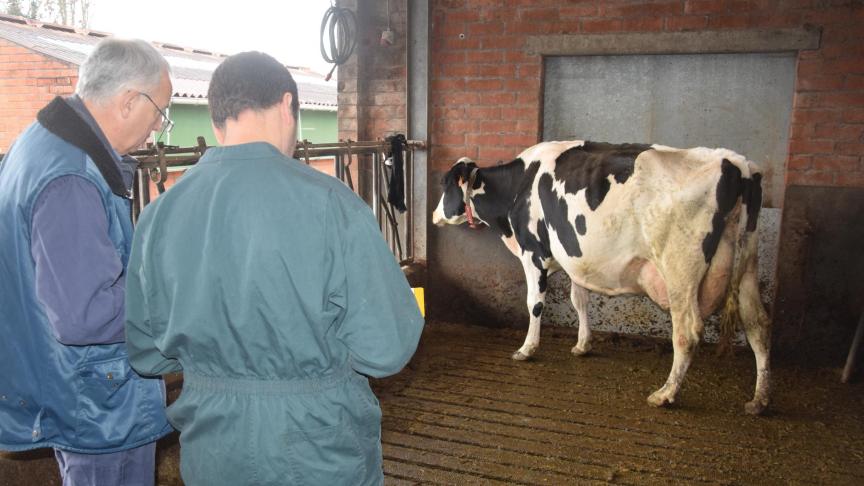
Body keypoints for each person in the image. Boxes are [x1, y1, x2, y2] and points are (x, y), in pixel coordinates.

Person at [124, 51, 424, 486]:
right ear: (287, 105)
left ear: (217, 121)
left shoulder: (159, 214)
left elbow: (148, 353)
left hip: (214, 453)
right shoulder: (331, 204)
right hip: (318, 450)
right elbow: (388, 347)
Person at [0, 38, 175, 485]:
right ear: (129, 101)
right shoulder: (71, 178)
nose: (157, 127)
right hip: (98, 404)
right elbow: (86, 314)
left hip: (73, 386)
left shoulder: (38, 144)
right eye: (161, 112)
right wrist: (174, 296)